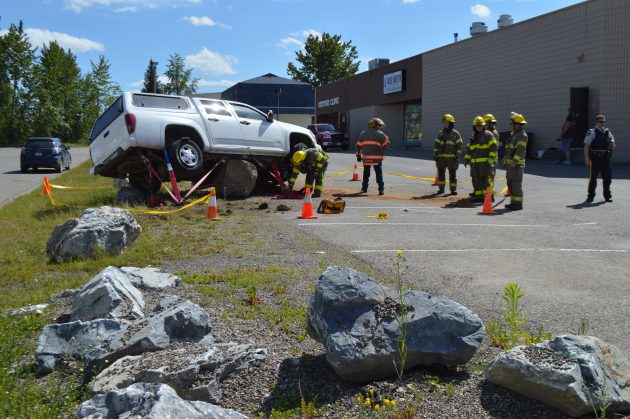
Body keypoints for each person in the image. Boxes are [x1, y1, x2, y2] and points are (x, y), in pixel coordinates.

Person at [464, 116, 497, 202]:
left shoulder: (488, 134)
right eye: (477, 126)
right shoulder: (473, 137)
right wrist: (467, 158)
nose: (479, 127)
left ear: (483, 125)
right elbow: (469, 149)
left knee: (486, 181)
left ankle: (489, 197)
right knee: (476, 181)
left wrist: (490, 158)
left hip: (485, 163)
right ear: (474, 127)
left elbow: (494, 147)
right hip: (474, 164)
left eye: (480, 125)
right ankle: (478, 197)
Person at [584, 114, 615, 203]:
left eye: (604, 121)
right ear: (596, 122)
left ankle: (607, 196)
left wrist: (613, 143)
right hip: (595, 158)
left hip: (605, 158)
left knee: (607, 178)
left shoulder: (607, 131)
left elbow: (611, 139)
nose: (602, 123)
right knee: (593, 178)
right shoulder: (592, 132)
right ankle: (590, 196)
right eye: (600, 122)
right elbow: (586, 146)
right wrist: (586, 158)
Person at [356, 117, 390, 195]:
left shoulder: (363, 133)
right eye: (379, 125)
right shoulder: (380, 134)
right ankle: (381, 190)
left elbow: (358, 145)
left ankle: (364, 188)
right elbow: (386, 144)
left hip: (366, 158)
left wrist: (358, 155)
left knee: (366, 174)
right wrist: (381, 147)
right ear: (376, 126)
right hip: (377, 159)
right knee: (379, 174)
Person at [503, 113, 528, 210]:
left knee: (516, 185)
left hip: (516, 165)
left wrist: (514, 161)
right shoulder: (514, 134)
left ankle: (517, 204)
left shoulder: (522, 135)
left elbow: (520, 150)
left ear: (516, 124)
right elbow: (509, 149)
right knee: (511, 185)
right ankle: (513, 202)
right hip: (511, 165)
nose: (511, 126)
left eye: (512, 124)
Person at [433, 114, 463, 195]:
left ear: (451, 123)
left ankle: (453, 190)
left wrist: (458, 155)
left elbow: (459, 146)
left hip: (452, 159)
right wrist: (435, 154)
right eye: (444, 123)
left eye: (447, 122)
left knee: (452, 176)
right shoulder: (440, 134)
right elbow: (436, 145)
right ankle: (441, 189)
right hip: (441, 158)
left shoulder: (456, 134)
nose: (445, 124)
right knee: (441, 175)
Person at [483, 113, 500, 189]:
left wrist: (490, 160)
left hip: (491, 159)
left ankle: (490, 196)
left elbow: (494, 148)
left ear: (489, 123)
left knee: (489, 178)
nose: (483, 125)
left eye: (485, 123)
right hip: (486, 158)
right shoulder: (486, 132)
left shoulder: (493, 133)